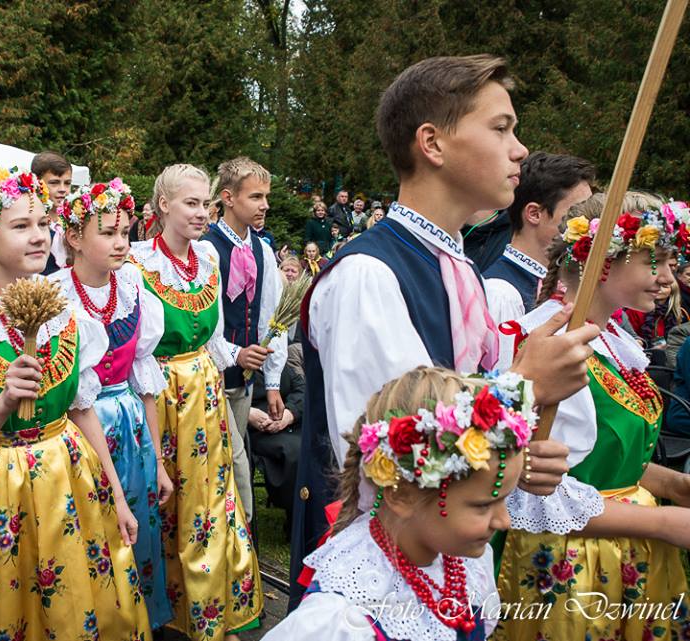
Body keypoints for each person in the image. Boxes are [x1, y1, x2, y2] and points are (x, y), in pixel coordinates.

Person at [289, 54, 602, 610]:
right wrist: (524, 388)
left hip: (442, 563)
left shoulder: (459, 269)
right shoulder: (369, 275)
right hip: (383, 580)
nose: (519, 150)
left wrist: (517, 457)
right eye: (501, 128)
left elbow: (462, 430)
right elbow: (391, 456)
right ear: (432, 144)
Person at [0, 167, 150, 639]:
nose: (39, 236)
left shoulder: (67, 316)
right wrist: (1, 403)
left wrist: (117, 497)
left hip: (69, 489)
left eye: (42, 224)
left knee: (73, 608)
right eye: (21, 226)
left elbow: (81, 410)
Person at [496, 192, 690, 640]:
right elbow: (538, 492)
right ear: (601, 260)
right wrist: (664, 522)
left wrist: (676, 487)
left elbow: (601, 458)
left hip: (619, 550)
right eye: (655, 261)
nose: (667, 277)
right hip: (576, 565)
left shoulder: (611, 341)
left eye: (670, 262)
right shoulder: (553, 348)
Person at [268, 368, 531, 640]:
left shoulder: (466, 565)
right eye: (483, 506)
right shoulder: (341, 621)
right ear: (401, 495)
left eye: (504, 500)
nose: (504, 521)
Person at [129, 164, 262, 640]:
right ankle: (166, 612)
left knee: (210, 500)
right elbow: (136, 351)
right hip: (160, 394)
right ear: (164, 205)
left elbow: (214, 336)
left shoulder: (207, 258)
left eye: (205, 203)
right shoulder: (137, 266)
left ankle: (210, 609)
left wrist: (236, 355)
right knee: (165, 501)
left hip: (204, 393)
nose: (202, 212)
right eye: (191, 203)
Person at [53, 177, 174, 629]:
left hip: (130, 426)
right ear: (74, 237)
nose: (121, 242)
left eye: (125, 231)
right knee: (91, 528)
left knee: (137, 526)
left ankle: (139, 622)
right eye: (107, 232)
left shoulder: (133, 288)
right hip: (79, 433)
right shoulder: (56, 294)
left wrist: (158, 461)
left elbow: (146, 384)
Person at [203, 157, 288, 524]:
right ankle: (244, 534)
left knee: (233, 456)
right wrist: (235, 354)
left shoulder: (262, 250)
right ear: (228, 198)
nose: (264, 205)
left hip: (244, 382)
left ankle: (231, 537)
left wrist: (273, 382)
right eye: (255, 196)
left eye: (266, 196)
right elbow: (208, 323)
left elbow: (273, 316)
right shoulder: (207, 250)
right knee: (234, 460)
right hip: (214, 376)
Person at [484, 151, 595, 329]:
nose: (591, 223)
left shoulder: (566, 283)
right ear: (534, 214)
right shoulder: (501, 294)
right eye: (578, 211)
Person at [247, 354, 305, 534]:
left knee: (319, 445)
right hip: (257, 429)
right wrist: (247, 413)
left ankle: (316, 517)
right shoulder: (232, 364)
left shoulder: (276, 362)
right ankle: (296, 521)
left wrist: (289, 414)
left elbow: (302, 389)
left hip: (289, 423)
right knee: (295, 451)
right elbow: (223, 396)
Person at [31, 150, 72, 274]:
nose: (62, 189)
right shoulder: (29, 221)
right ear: (37, 184)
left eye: (67, 183)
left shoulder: (72, 218)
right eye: (54, 183)